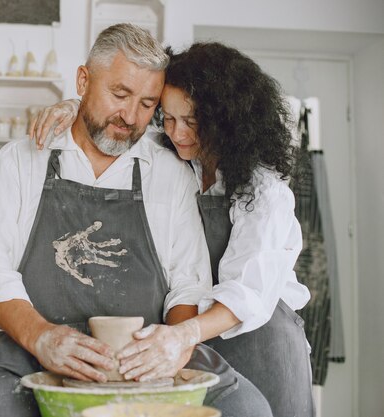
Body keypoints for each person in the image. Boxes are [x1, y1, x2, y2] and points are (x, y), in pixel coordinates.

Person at [0, 26, 272, 417]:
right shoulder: (19, 162)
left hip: (141, 352)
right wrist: (42, 338)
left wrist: (168, 348)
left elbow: (188, 284)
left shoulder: (168, 171)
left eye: (148, 104)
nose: (130, 117)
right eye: (119, 94)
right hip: (30, 344)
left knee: (247, 409)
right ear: (83, 80)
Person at [30, 41, 314, 417]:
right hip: (191, 336)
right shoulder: (178, 159)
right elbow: (116, 126)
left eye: (192, 121)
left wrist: (183, 335)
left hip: (260, 336)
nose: (178, 133)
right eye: (168, 117)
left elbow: (249, 293)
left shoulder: (262, 189)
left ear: (225, 119)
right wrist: (74, 109)